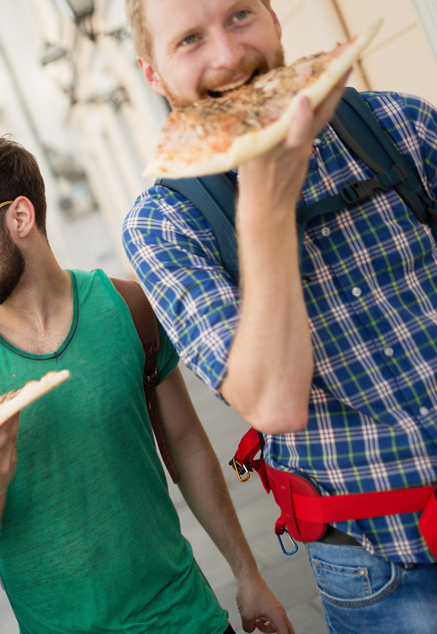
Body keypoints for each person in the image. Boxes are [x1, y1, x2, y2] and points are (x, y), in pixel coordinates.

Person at [120, 1, 437, 632]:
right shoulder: (163, 225)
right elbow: (274, 404)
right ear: (152, 74)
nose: (229, 56)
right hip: (383, 571)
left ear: (274, 17)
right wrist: (265, 209)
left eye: (241, 16)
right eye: (189, 40)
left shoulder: (401, 125)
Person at [0, 135, 292, 633]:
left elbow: (188, 445)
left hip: (187, 616)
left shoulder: (127, 308)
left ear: (19, 217)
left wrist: (248, 574)